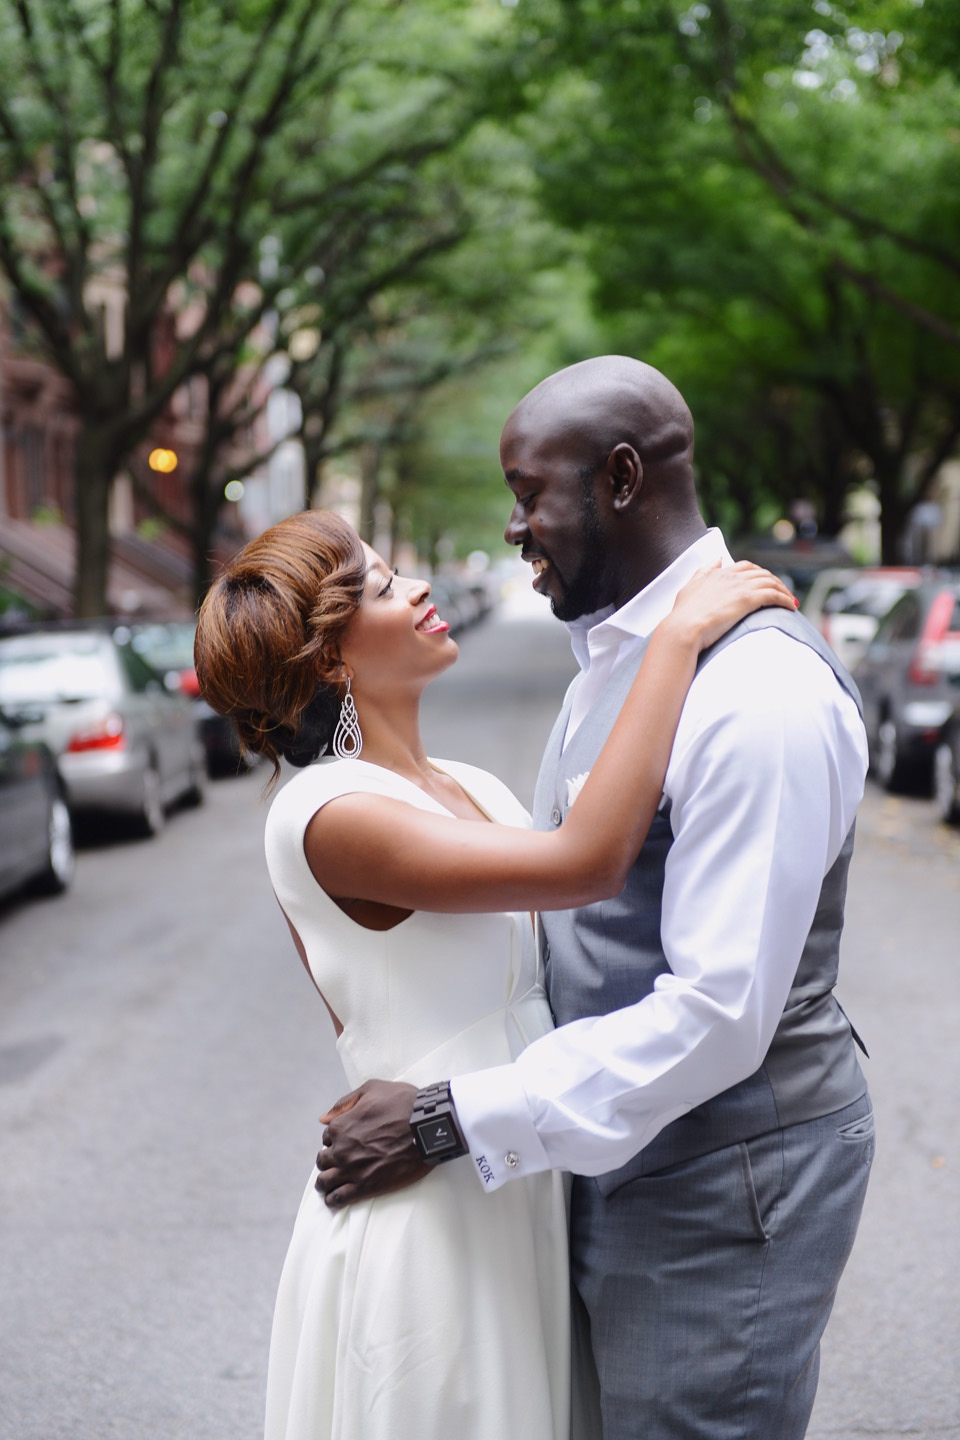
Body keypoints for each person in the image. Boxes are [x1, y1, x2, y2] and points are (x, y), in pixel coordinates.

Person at [316, 356, 875, 1440]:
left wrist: (447, 1119)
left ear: (620, 479)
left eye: (530, 494)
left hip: (725, 1185)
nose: (516, 526)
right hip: (626, 1164)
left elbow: (717, 1012)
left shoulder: (757, 696)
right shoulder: (617, 660)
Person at [193, 504, 794, 1440]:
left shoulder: (468, 786)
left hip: (509, 1171)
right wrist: (674, 637)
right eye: (385, 586)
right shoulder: (325, 812)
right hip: (430, 1211)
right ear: (334, 661)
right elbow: (585, 863)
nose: (420, 588)